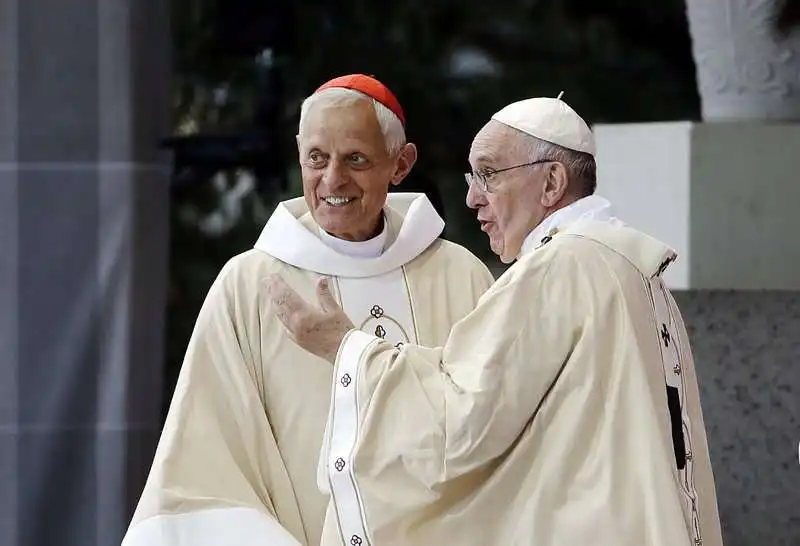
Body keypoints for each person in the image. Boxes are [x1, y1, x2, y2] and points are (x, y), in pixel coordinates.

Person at [267, 95, 724, 546]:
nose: (471, 198)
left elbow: (461, 421)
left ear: (551, 184)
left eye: (488, 174)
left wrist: (347, 349)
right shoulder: (630, 267)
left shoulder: (559, 268)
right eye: (471, 177)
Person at [121, 75, 495, 546]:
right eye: (317, 159)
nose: (333, 179)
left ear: (400, 164)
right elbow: (205, 457)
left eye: (355, 159)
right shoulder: (250, 285)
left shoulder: (459, 277)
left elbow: (494, 429)